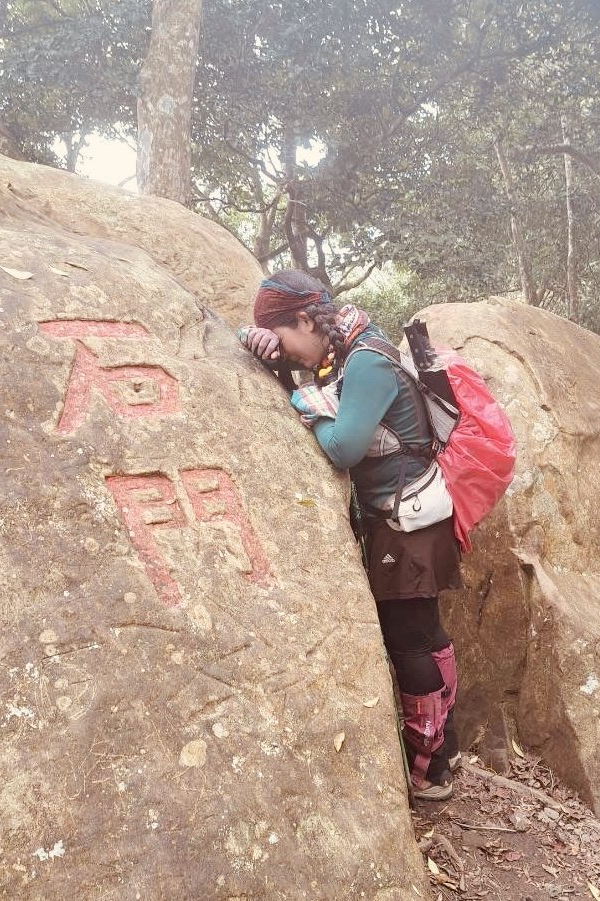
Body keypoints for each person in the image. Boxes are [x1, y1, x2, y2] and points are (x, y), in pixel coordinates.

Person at [239, 269, 462, 800]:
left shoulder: (366, 361)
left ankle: (427, 769)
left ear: (303, 318)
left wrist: (303, 406)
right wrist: (274, 356)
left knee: (410, 642)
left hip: (402, 523)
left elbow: (343, 447)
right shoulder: (352, 344)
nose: (290, 353)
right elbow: (314, 375)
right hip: (414, 518)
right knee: (427, 637)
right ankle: (444, 752)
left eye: (287, 336)